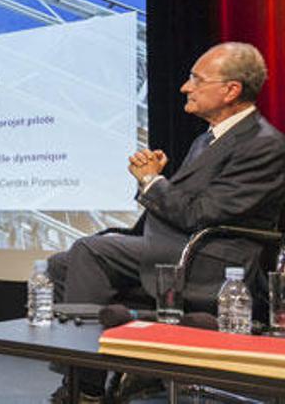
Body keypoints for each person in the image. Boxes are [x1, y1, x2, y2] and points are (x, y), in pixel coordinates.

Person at [47, 42, 285, 402]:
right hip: (180, 246)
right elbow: (192, 207)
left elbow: (199, 214)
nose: (184, 87)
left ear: (230, 90)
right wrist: (157, 180)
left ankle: (87, 388)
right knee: (61, 265)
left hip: (214, 261)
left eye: (195, 79)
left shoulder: (264, 144)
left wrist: (152, 182)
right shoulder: (210, 139)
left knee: (91, 252)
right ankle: (138, 364)